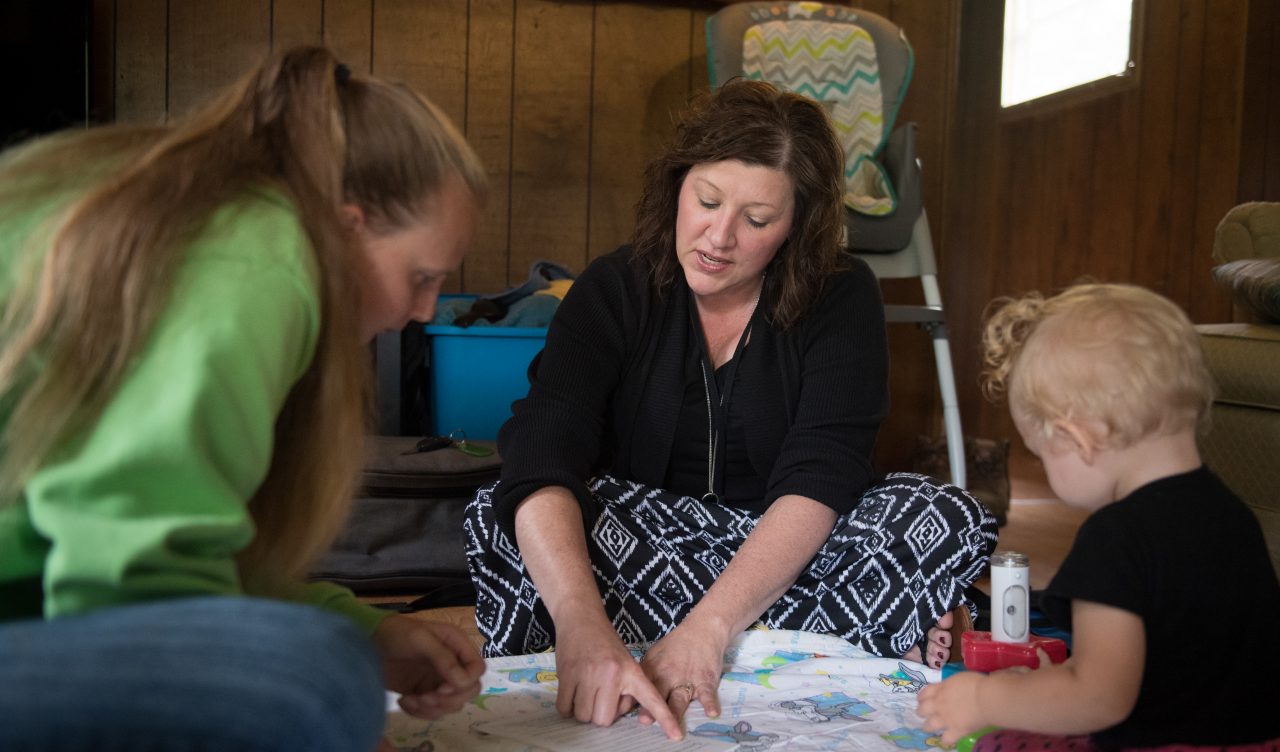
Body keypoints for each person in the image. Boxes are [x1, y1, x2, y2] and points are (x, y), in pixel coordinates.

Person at [465, 79, 998, 741]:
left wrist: (709, 628)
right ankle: (844, 630)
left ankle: (696, 637)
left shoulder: (840, 295)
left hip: (782, 547)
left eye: (756, 220)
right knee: (506, 512)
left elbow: (822, 471)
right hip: (645, 538)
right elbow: (545, 445)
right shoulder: (614, 288)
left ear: (797, 226)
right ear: (677, 186)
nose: (719, 236)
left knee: (938, 515)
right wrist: (579, 622)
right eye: (707, 201)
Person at [0, 46, 489, 751]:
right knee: (318, 678)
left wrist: (368, 629)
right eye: (421, 275)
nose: (425, 310)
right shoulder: (259, 257)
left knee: (325, 653)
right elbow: (136, 588)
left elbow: (201, 565)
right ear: (348, 227)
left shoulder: (222, 228)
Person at [917, 283, 1280, 750]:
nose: (1047, 471)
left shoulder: (1115, 538)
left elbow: (1101, 697)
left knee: (1002, 742)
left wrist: (986, 698)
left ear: (1077, 439)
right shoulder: (1235, 515)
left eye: (1042, 454)